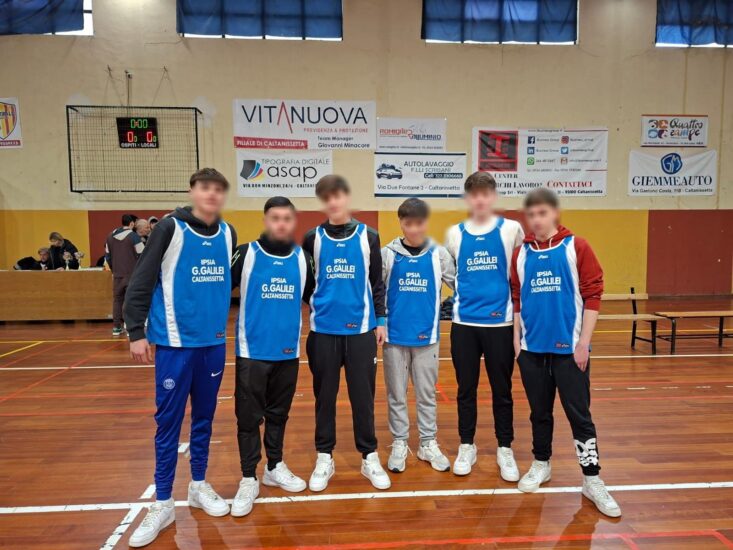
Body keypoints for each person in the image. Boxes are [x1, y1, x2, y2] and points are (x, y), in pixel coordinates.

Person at [124, 168, 238, 547]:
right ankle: (162, 502)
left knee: (204, 418)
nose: (211, 194)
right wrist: (136, 330)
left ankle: (198, 484)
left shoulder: (228, 233)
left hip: (213, 343)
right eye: (205, 188)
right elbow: (142, 278)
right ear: (193, 191)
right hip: (174, 343)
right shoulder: (170, 228)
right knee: (168, 424)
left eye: (218, 189)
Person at [510, 187, 621, 517]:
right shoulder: (520, 254)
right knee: (539, 413)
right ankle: (541, 463)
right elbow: (517, 299)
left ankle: (592, 478)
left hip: (570, 351)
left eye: (542, 213)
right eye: (531, 214)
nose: (536, 220)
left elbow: (593, 295)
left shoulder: (577, 246)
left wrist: (583, 343)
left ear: (555, 214)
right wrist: (516, 340)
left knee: (579, 416)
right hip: (532, 350)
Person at [302, 175, 390, 491]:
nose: (333, 202)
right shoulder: (312, 238)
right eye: (327, 197)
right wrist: (321, 303)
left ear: (347, 198)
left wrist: (381, 319)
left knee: (362, 398)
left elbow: (377, 282)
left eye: (338, 196)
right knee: (324, 398)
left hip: (361, 331)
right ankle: (324, 456)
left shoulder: (369, 236)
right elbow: (306, 283)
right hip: (324, 331)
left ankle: (369, 456)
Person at [229, 196, 315, 517]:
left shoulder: (304, 259)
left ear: (293, 222)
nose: (281, 223)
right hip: (252, 352)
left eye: (286, 218)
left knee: (279, 414)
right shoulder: (245, 254)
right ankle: (248, 476)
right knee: (248, 418)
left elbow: (318, 298)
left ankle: (274, 466)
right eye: (275, 218)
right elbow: (217, 290)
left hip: (288, 352)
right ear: (266, 220)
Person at [444, 171, 524, 480]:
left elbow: (520, 271)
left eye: (485, 194)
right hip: (464, 324)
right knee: (466, 389)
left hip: (500, 324)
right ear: (468, 198)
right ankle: (467, 444)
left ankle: (505, 447)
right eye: (474, 194)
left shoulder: (511, 229)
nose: (480, 199)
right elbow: (452, 274)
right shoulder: (455, 233)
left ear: (493, 196)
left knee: (502, 390)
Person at [382, 198, 455, 474]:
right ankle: (400, 442)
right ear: (401, 222)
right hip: (394, 337)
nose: (413, 229)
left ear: (426, 222)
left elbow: (461, 285)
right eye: (408, 223)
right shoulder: (388, 254)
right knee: (396, 394)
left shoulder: (439, 254)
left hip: (427, 337)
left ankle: (427, 442)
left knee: (426, 394)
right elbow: (375, 291)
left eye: (419, 223)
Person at [105, 214, 144, 336]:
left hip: (117, 275)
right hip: (132, 274)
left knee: (117, 300)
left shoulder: (109, 236)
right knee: (130, 301)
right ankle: (129, 328)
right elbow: (143, 255)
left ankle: (116, 327)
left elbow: (107, 256)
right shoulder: (134, 236)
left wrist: (114, 270)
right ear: (131, 223)